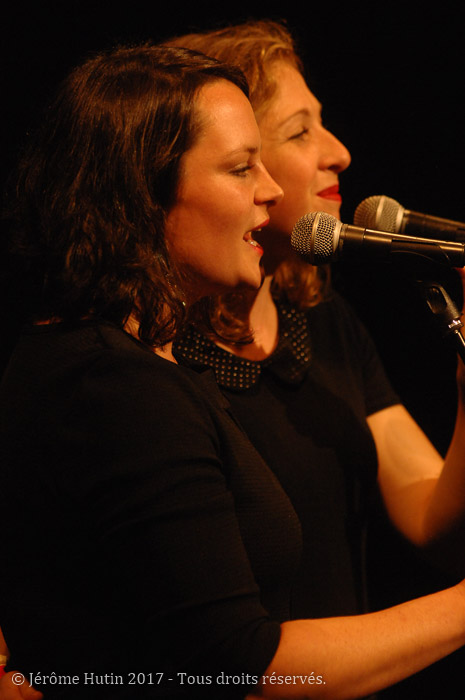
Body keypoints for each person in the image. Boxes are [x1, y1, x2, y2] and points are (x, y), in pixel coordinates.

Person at [2, 34, 465, 700]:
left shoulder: (131, 365)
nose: (269, 189)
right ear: (144, 191)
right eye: (243, 167)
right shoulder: (111, 385)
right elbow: (244, 666)